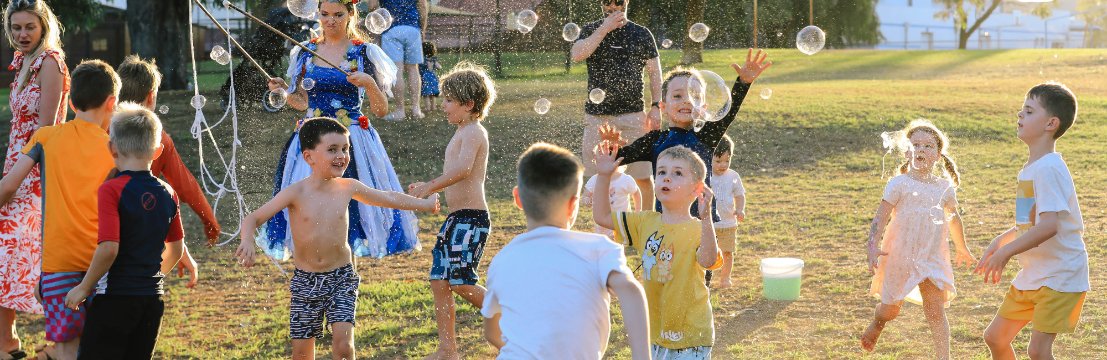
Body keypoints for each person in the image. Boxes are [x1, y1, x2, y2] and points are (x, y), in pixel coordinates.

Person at [236, 117, 439, 360]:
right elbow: (253, 218)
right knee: (302, 354)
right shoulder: (295, 192)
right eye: (332, 150)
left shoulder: (347, 187)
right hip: (305, 281)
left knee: (344, 347)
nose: (341, 155)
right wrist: (247, 240)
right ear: (309, 157)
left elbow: (388, 198)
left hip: (341, 277)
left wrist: (424, 204)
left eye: (345, 149)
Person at [266, 0, 417, 260]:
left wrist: (369, 83)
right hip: (311, 140)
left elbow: (380, 110)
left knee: (350, 210)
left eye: (338, 15)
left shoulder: (364, 53)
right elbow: (303, 102)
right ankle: (316, 270)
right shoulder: (306, 51)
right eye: (324, 14)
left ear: (350, 15)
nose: (330, 21)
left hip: (350, 142)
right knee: (311, 210)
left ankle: (345, 273)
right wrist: (283, 91)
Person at [480, 143, 650, 359]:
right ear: (572, 205)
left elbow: (492, 332)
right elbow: (631, 292)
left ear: (518, 199)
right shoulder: (598, 249)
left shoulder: (502, 260)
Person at [0, 60, 120, 360]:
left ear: (70, 100)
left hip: (59, 264)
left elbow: (8, 186)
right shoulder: (116, 149)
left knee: (66, 349)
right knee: (103, 345)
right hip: (105, 264)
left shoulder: (46, 138)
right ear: (112, 103)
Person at [62, 103, 184, 359]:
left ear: (112, 148)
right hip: (152, 301)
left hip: (114, 300)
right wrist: (148, 279)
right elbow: (176, 249)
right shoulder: (169, 193)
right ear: (158, 150)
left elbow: (109, 248)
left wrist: (85, 287)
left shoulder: (112, 189)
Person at [977, 82, 1087, 360]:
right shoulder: (1032, 169)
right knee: (995, 338)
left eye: (1028, 110)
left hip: (1060, 275)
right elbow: (1031, 222)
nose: (1019, 115)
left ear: (1051, 123)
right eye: (1021, 110)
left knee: (1038, 351)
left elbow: (1050, 227)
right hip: (1034, 274)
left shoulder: (1049, 168)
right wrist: (1001, 240)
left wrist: (1006, 252)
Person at [599, 49, 771, 219]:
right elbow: (612, 159)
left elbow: (729, 112)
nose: (687, 100)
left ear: (703, 108)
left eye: (694, 96)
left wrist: (743, 83)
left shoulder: (706, 135)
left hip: (703, 226)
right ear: (663, 107)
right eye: (678, 96)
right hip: (666, 225)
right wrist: (610, 147)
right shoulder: (656, 140)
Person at [594, 144, 723, 359]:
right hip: (653, 333)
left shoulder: (699, 229)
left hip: (691, 336)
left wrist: (706, 217)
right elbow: (602, 216)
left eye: (677, 173)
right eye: (661, 172)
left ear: (697, 189)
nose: (666, 178)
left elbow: (709, 261)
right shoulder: (644, 221)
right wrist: (603, 175)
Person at [859, 120, 975, 358]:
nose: (921, 150)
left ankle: (944, 357)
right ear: (907, 152)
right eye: (916, 145)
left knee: (935, 310)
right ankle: (878, 323)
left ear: (938, 155)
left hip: (932, 257)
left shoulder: (944, 188)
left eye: (928, 146)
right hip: (900, 255)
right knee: (890, 310)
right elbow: (880, 218)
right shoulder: (899, 184)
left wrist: (962, 249)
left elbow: (954, 219)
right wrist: (872, 247)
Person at [406, 63, 494, 360]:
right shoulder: (461, 131)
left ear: (468, 104)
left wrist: (431, 186)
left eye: (447, 101)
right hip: (456, 218)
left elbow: (463, 169)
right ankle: (448, 350)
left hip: (472, 219)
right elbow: (454, 173)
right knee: (439, 280)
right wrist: (428, 187)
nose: (442, 106)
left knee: (461, 281)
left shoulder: (474, 132)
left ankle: (513, 322)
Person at [117, 54, 219, 288]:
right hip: (139, 244)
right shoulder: (158, 139)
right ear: (151, 97)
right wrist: (208, 219)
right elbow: (184, 185)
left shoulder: (103, 130)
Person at [0, 1, 67, 356]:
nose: (22, 34)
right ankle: (7, 341)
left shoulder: (50, 62)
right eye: (16, 28)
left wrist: (14, 180)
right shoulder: (22, 61)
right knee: (6, 254)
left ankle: (58, 343)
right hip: (14, 165)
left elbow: (47, 130)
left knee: (31, 256)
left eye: (29, 27)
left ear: (44, 26)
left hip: (35, 172)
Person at [573, 0, 662, 206]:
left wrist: (656, 106)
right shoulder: (590, 29)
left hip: (633, 115)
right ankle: (604, 224)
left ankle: (644, 223)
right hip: (598, 116)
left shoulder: (641, 33)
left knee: (642, 175)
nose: (612, 7)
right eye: (607, 4)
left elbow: (654, 73)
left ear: (626, 2)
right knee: (596, 177)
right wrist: (605, 28)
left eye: (617, 3)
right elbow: (577, 54)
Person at [368, 0, 429, 120]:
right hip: (412, 28)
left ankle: (400, 111)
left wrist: (377, 24)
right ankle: (416, 109)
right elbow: (422, 5)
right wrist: (422, 28)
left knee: (396, 70)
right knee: (413, 68)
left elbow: (373, 6)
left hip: (391, 29)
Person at [709, 135, 745, 289]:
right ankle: (706, 278)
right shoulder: (706, 176)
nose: (723, 165)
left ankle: (725, 278)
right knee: (707, 253)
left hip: (729, 223)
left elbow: (740, 194)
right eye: (718, 161)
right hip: (710, 224)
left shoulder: (733, 176)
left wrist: (740, 208)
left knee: (728, 253)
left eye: (727, 160)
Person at [583, 164, 641, 238]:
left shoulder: (625, 179)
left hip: (620, 220)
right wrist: (588, 201)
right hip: (601, 222)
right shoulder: (595, 179)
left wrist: (638, 210)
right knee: (602, 241)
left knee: (617, 242)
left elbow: (636, 192)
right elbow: (585, 195)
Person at [419, 41, 441, 113]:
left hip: (425, 78)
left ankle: (427, 107)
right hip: (433, 77)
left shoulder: (421, 59)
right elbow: (439, 67)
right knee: (432, 94)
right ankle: (433, 107)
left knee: (426, 94)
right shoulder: (433, 59)